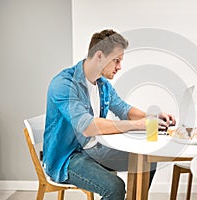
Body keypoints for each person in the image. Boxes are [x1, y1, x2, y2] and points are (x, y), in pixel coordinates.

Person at [43, 29, 176, 200]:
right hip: (67, 157)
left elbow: (124, 109)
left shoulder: (102, 85)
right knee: (114, 187)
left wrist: (152, 117)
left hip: (95, 149)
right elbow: (88, 127)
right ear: (99, 56)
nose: (120, 67)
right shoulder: (63, 84)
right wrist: (138, 124)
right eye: (116, 61)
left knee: (147, 161)